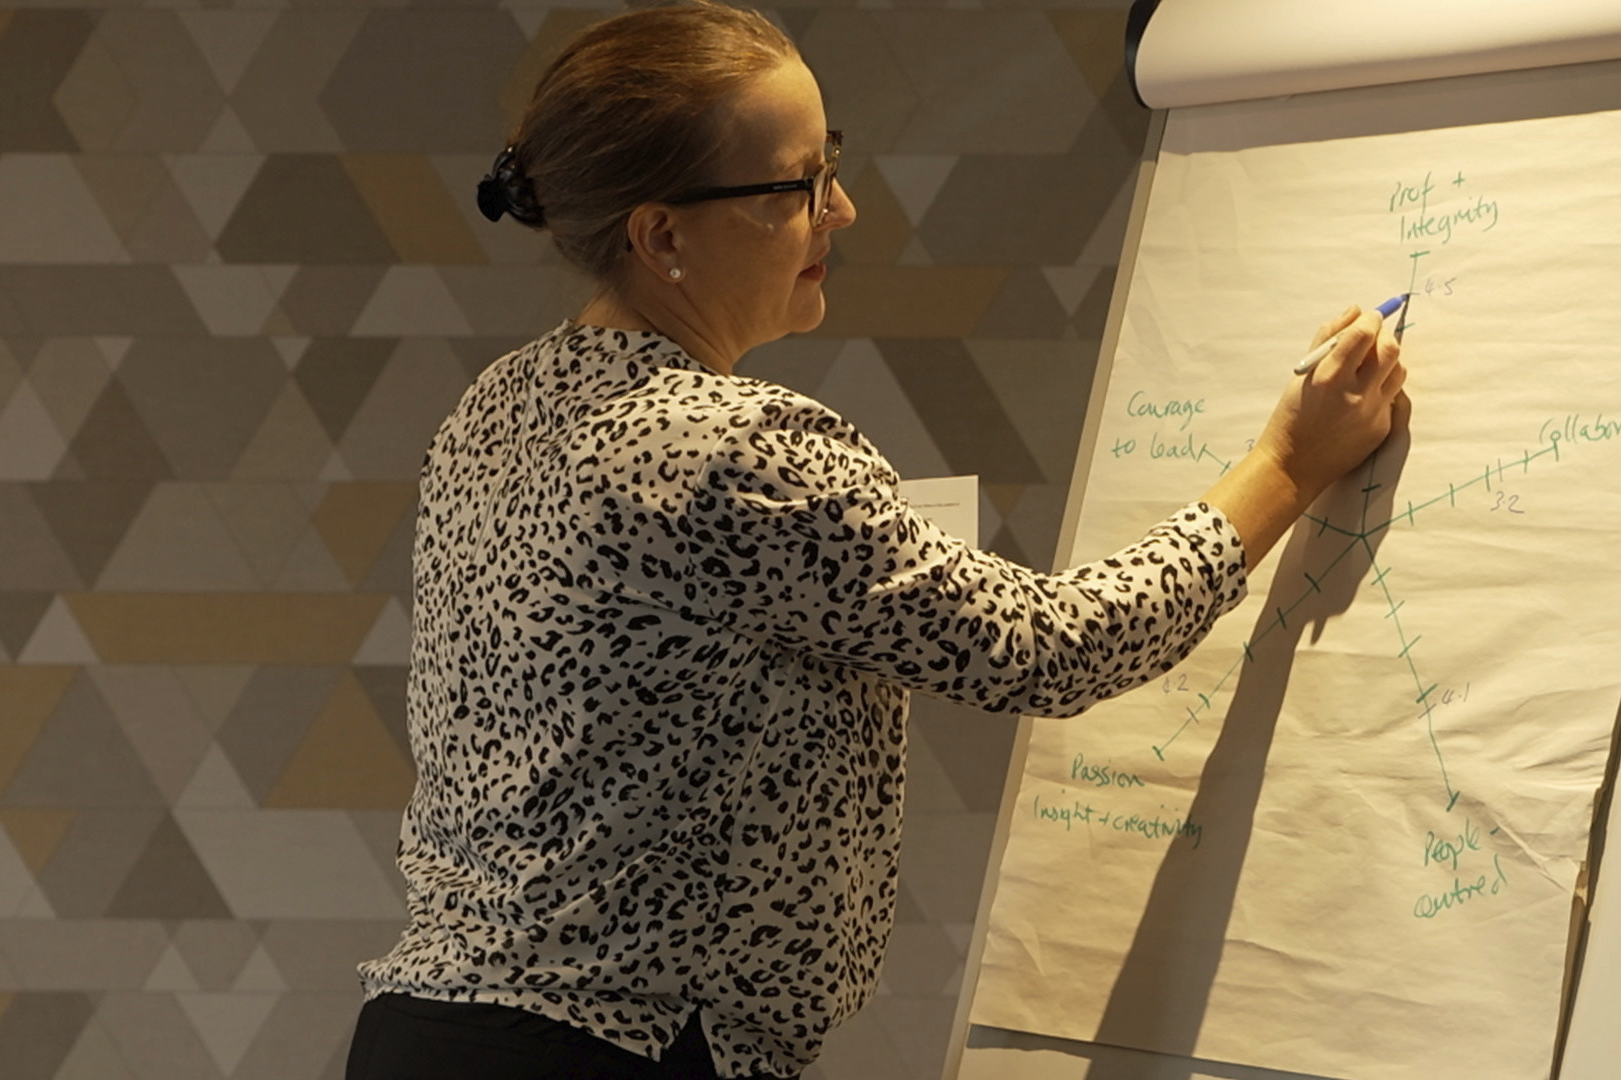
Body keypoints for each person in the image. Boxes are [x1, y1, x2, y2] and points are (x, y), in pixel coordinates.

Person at [346, 3, 1408, 1078]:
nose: (841, 209)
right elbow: (1051, 647)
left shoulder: (493, 408)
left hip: (428, 1032)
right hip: (611, 1053)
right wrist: (1286, 465)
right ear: (661, 235)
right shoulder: (730, 450)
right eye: (795, 187)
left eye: (831, 163)